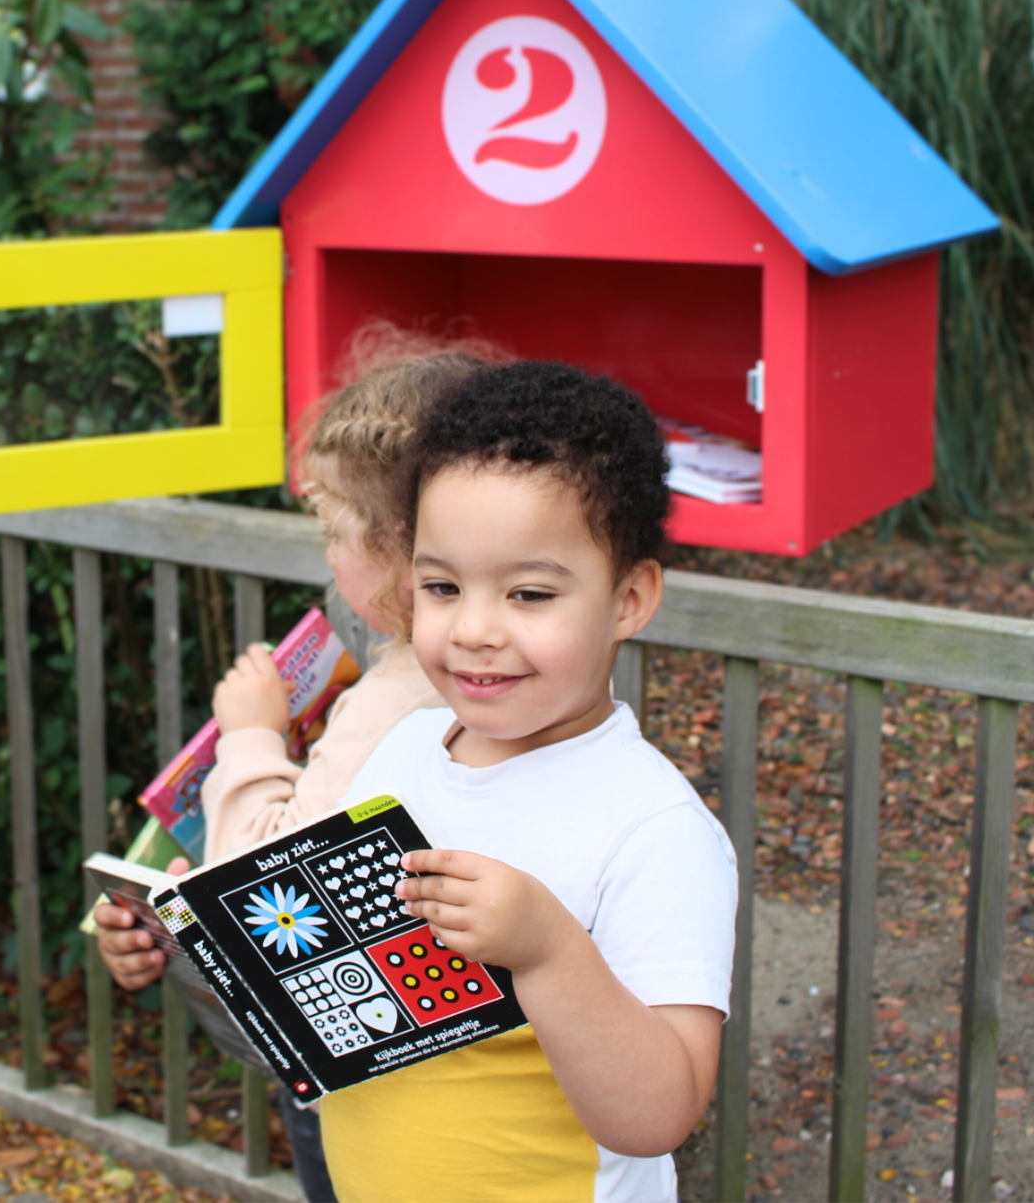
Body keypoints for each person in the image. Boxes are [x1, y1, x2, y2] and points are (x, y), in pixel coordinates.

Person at [95, 334, 497, 1201]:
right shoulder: (510, 680)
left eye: (333, 530)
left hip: (365, 1084)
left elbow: (261, 887)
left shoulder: (398, 701)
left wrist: (251, 736)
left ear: (398, 550)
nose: (325, 554)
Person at [325, 360, 738, 1202]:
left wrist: (548, 953)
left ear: (629, 598)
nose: (474, 628)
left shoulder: (655, 828)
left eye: (529, 593)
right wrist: (191, 939)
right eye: (442, 586)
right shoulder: (405, 750)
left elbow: (659, 1115)